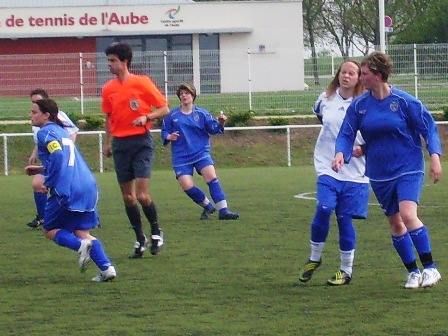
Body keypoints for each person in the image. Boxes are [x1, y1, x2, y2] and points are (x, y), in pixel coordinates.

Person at [332, 51, 442, 289]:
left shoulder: (405, 102)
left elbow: (429, 129)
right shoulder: (360, 106)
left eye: (364, 74)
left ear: (378, 76)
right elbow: (346, 133)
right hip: (380, 173)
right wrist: (342, 152)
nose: (360, 78)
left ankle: (431, 268)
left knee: (408, 215)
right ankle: (413, 271)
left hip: (408, 167)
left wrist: (435, 158)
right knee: (395, 224)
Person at [25, 98, 116, 282]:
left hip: (68, 188)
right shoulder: (62, 132)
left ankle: (80, 246)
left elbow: (58, 155)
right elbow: (65, 158)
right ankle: (107, 269)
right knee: (82, 231)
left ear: (46, 115)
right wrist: (42, 169)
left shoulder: (44, 133)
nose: (31, 115)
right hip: (87, 185)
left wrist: (49, 180)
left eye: (34, 112)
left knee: (50, 229)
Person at [298, 60, 369, 286]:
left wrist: (362, 149)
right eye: (343, 72)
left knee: (344, 218)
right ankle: (314, 258)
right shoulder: (324, 99)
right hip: (327, 165)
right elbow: (324, 121)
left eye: (351, 73)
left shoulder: (366, 103)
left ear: (360, 78)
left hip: (356, 170)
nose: (346, 76)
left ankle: (345, 270)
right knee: (324, 207)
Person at [102, 42, 168, 258]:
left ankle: (156, 231)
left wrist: (147, 117)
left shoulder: (142, 83)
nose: (109, 64)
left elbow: (164, 108)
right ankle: (140, 239)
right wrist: (108, 142)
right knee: (128, 198)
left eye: (113, 60)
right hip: (121, 145)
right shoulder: (108, 88)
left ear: (125, 62)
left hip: (141, 142)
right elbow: (109, 117)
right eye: (109, 60)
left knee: (142, 195)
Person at [161, 84, 239, 220]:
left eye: (187, 93)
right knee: (187, 186)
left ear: (193, 96)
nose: (184, 96)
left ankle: (223, 210)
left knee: (211, 177)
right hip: (181, 156)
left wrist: (221, 123)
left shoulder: (201, 114)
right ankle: (207, 205)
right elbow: (165, 131)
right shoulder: (172, 115)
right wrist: (169, 136)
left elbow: (213, 128)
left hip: (200, 152)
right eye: (181, 93)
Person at [26, 88, 79, 228]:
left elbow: (72, 132)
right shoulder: (38, 123)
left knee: (58, 188)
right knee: (38, 185)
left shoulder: (57, 116)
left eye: (37, 102)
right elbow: (43, 140)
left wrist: (68, 150)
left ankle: (60, 218)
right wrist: (34, 154)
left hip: (60, 159)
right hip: (51, 159)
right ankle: (43, 217)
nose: (34, 105)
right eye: (32, 102)